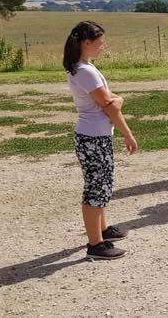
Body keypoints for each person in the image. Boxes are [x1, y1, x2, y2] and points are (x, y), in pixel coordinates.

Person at [64, 21, 138, 260]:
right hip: (93, 137)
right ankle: (95, 244)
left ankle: (103, 229)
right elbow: (109, 105)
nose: (103, 46)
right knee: (96, 188)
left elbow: (109, 100)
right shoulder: (85, 71)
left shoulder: (85, 67)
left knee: (102, 185)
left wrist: (117, 100)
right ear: (86, 42)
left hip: (94, 136)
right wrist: (128, 133)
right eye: (100, 42)